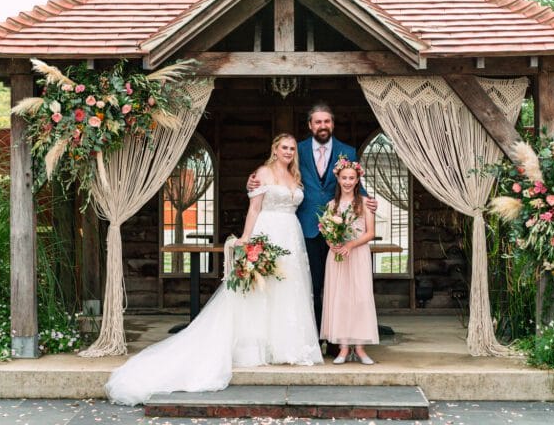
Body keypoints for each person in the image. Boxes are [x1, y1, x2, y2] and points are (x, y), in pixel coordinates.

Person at [105, 133, 322, 406]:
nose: (289, 152)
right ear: (275, 149)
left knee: (289, 290)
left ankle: (287, 347)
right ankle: (255, 348)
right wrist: (246, 239)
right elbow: (254, 209)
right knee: (259, 292)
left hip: (292, 236)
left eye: (292, 148)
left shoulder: (295, 176)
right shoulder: (263, 173)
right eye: (284, 147)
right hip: (268, 232)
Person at [248, 103, 377, 337]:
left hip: (340, 229)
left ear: (332, 124)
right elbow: (274, 176)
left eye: (327, 121)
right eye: (318, 122)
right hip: (306, 227)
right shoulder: (298, 150)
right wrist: (251, 183)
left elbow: (354, 181)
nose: (322, 125)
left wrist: (368, 201)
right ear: (310, 125)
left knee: (338, 286)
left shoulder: (347, 151)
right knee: (311, 285)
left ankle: (337, 340)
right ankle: (314, 339)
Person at [320, 157, 379, 364]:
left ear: (357, 180)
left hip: (358, 254)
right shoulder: (331, 205)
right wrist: (332, 244)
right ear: (338, 179)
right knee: (341, 299)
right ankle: (344, 348)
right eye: (344, 178)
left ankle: (360, 348)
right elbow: (326, 230)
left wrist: (350, 245)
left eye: (351, 178)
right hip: (338, 257)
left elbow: (370, 233)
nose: (347, 182)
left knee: (360, 298)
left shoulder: (365, 203)